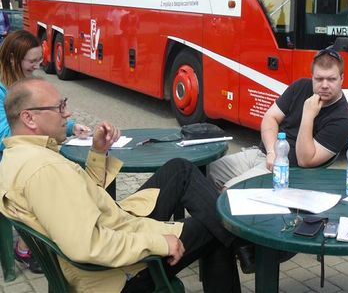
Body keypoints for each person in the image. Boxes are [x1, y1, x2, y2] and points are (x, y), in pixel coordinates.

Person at [0, 77, 241, 292]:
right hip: (117, 275)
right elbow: (86, 246)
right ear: (29, 118)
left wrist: (98, 152)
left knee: (180, 169)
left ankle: (240, 241)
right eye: (59, 107)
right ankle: (242, 241)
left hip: (113, 226)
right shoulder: (45, 170)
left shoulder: (17, 156)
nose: (68, 113)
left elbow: (81, 197)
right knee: (216, 225)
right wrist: (159, 242)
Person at [0, 30, 91, 273]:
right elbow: (5, 137)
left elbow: (42, 117)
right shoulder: (2, 90)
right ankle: (25, 245)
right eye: (32, 61)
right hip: (9, 159)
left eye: (39, 60)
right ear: (12, 59)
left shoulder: (26, 82)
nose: (38, 66)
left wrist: (70, 127)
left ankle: (70, 229)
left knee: (63, 174)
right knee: (42, 183)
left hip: (28, 153)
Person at [207, 48, 348, 190]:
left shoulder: (343, 120)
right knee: (206, 170)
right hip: (263, 154)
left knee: (230, 190)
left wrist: (308, 115)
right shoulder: (301, 86)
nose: (324, 85)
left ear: (342, 79)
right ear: (312, 77)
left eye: (331, 79)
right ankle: (209, 215)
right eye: (319, 79)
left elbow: (305, 160)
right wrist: (271, 152)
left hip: (288, 170)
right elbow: (270, 118)